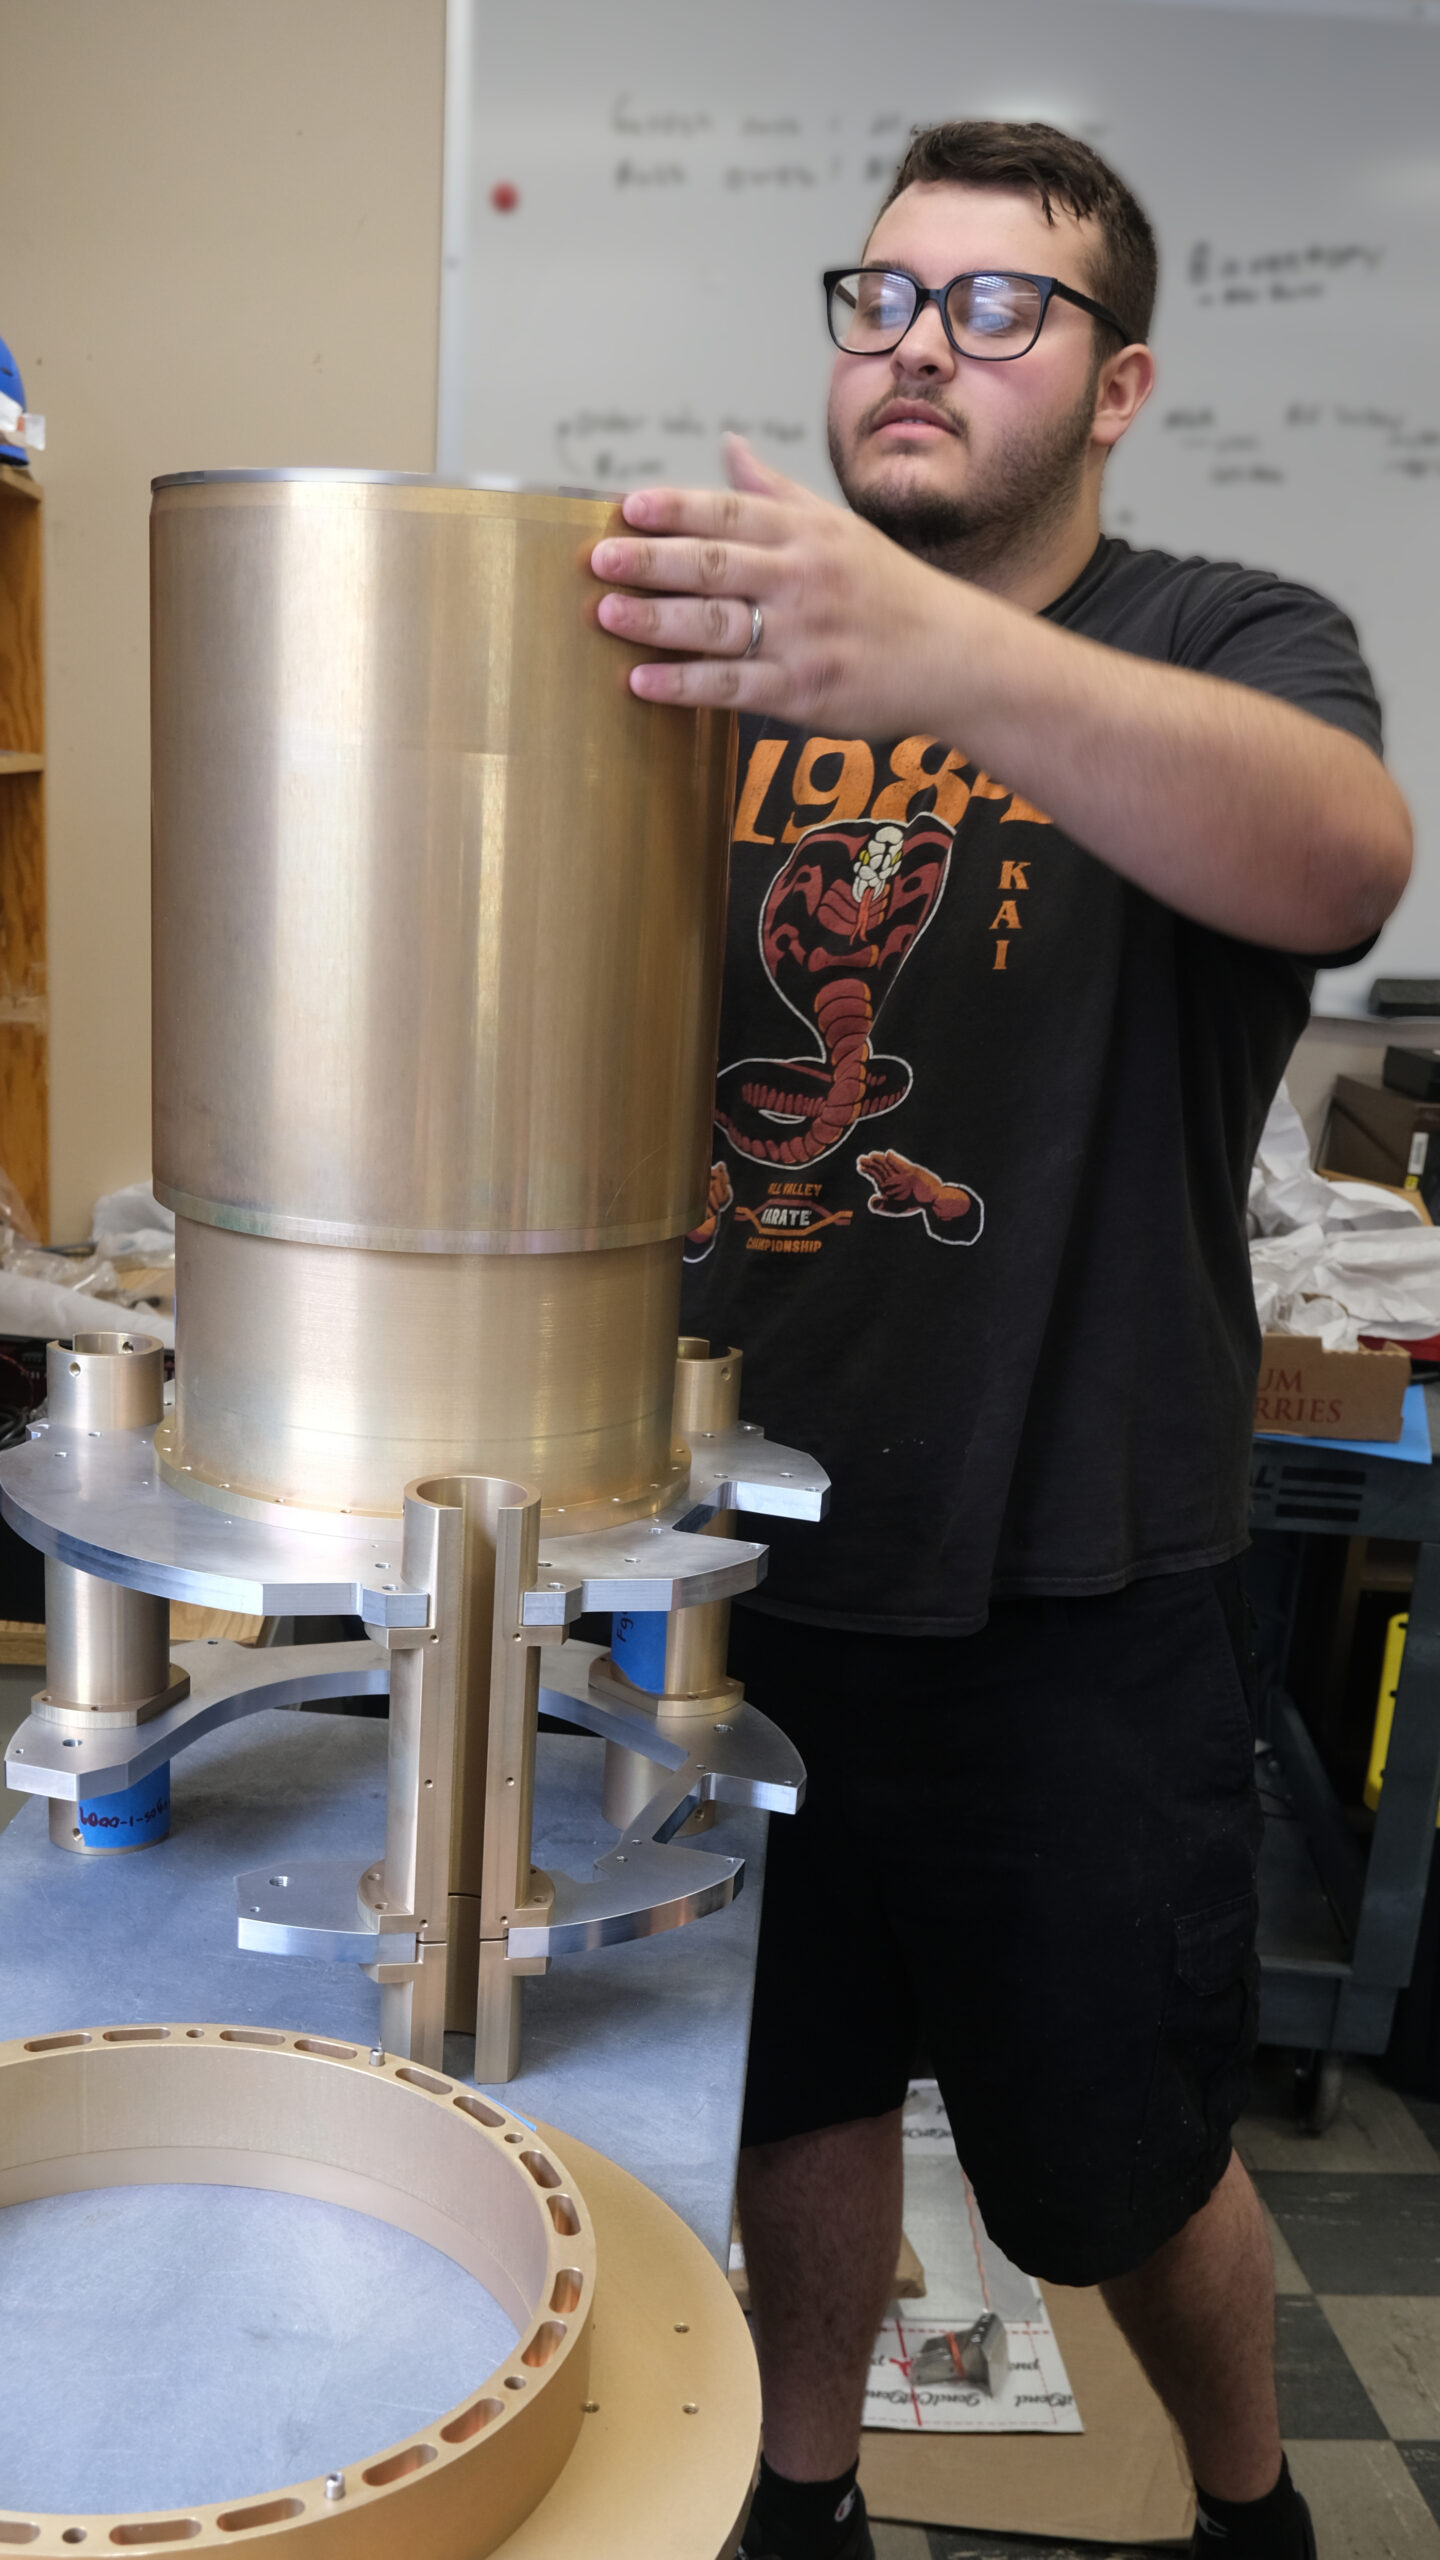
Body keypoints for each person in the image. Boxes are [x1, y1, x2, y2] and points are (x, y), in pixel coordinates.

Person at [590, 121, 1411, 2560]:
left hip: (1074, 1574)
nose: (919, 344)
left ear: (1119, 377)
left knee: (1121, 2150)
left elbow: (1342, 853)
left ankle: (1252, 2507)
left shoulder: (1224, 637)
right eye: (884, 295)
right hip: (733, 1555)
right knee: (795, 2083)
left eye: (995, 307)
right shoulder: (726, 676)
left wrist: (922, 646)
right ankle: (805, 2492)